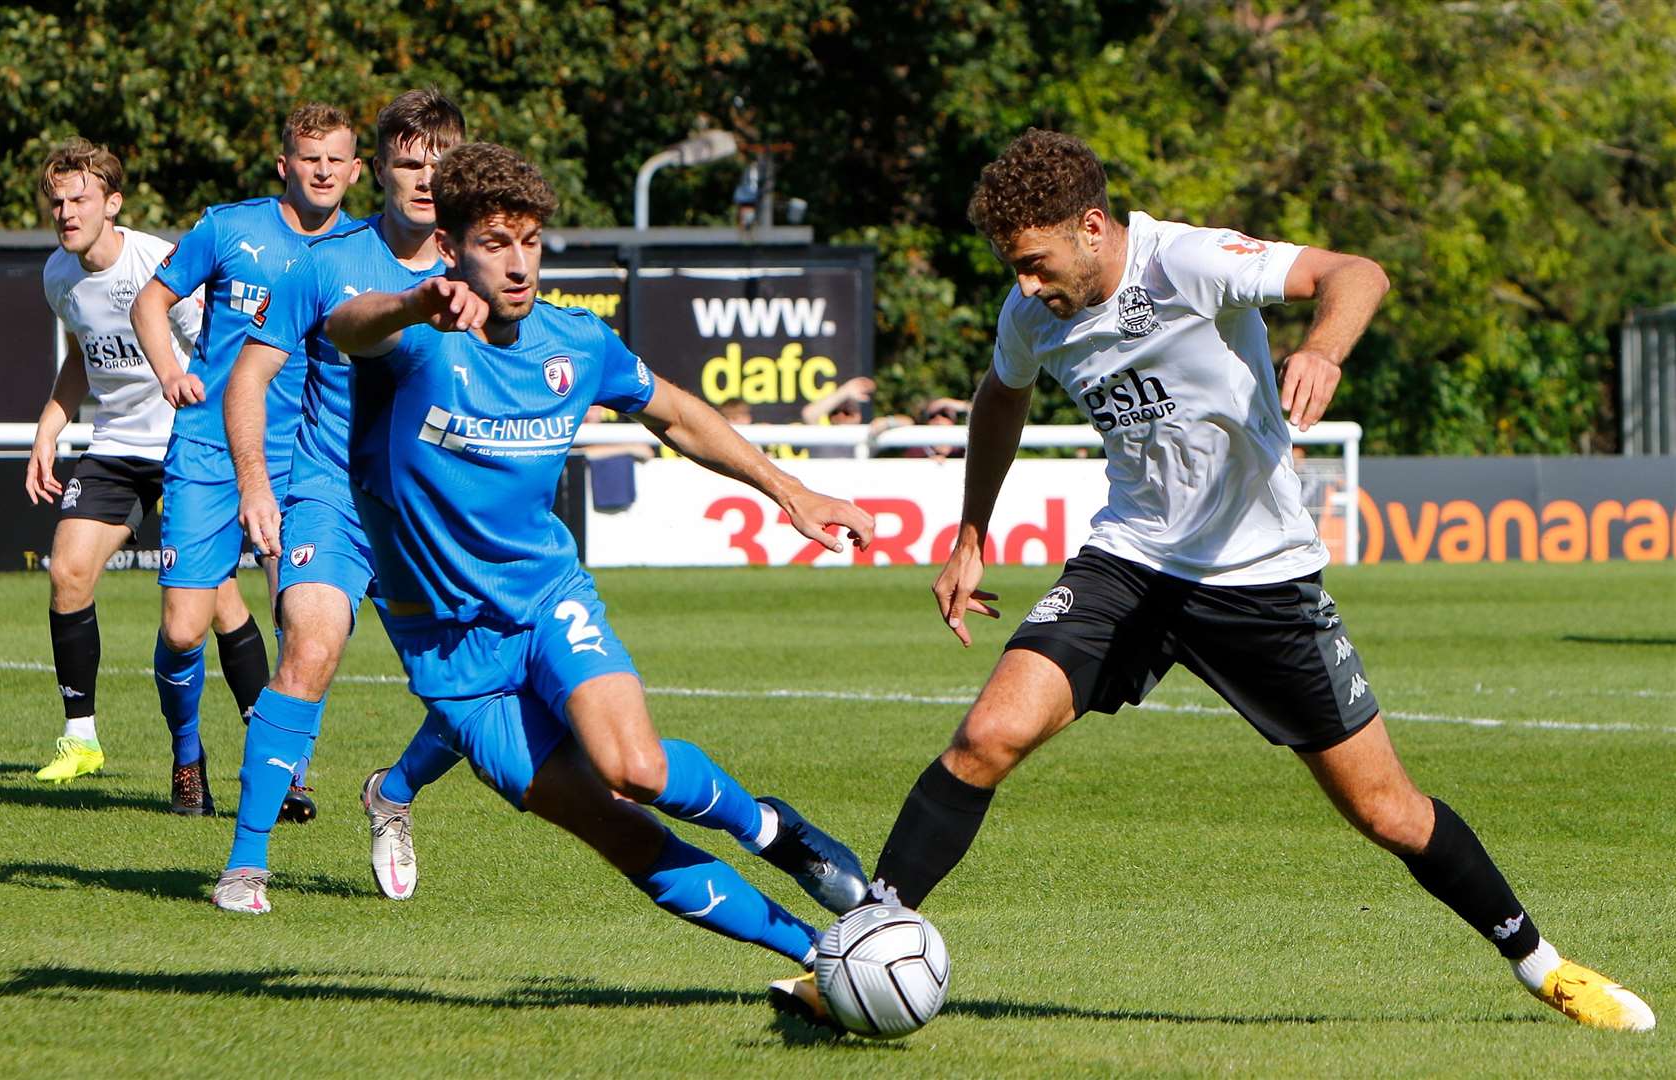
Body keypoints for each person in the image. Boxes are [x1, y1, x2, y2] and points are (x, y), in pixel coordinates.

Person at [772, 128, 1655, 1033]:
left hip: (1260, 581)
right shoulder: (1030, 313)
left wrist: (1323, 349)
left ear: (1090, 226)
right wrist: (970, 535)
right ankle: (855, 949)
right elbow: (1004, 394)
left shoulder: (1188, 262)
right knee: (987, 736)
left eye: (1036, 263)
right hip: (1131, 564)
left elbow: (1359, 273)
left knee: (1387, 811)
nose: (1027, 287)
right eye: (1014, 268)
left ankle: (1544, 967)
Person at [324, 142, 876, 965]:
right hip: (448, 654)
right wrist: (412, 305)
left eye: (531, 242)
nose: (518, 265)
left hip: (548, 598)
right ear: (450, 249)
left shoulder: (576, 343)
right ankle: (820, 956)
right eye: (494, 244)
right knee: (622, 836)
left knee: (637, 768)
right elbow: (343, 326)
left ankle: (771, 829)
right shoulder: (412, 340)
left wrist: (791, 492)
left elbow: (678, 415)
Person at [211, 89, 470, 911]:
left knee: (478, 698)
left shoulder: (484, 266)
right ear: (380, 171)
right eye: (407, 163)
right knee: (310, 647)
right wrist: (257, 483)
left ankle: (391, 794)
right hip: (331, 496)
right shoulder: (327, 263)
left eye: (438, 164)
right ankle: (246, 865)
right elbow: (248, 377)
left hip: (433, 518)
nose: (424, 180)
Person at [131, 103, 362, 815]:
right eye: (309, 157)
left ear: (357, 170)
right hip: (207, 449)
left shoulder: (366, 248)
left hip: (306, 460)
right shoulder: (229, 227)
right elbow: (150, 303)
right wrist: (170, 370)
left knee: (305, 623)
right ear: (284, 164)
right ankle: (186, 753)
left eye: (336, 159)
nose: (322, 171)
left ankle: (284, 770)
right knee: (181, 629)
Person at [27, 137, 234, 782]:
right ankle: (81, 738)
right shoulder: (58, 276)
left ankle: (278, 757)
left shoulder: (158, 263)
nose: (65, 213)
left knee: (218, 604)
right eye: (56, 201)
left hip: (186, 444)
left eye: (79, 199)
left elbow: (214, 352)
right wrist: (48, 429)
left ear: (113, 203)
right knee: (67, 571)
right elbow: (81, 359)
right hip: (115, 447)